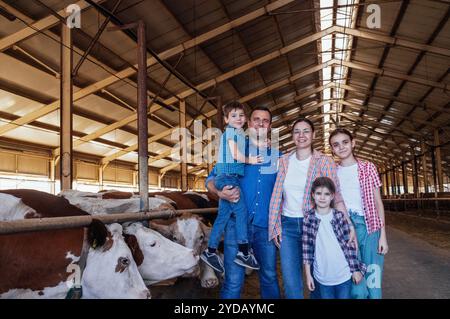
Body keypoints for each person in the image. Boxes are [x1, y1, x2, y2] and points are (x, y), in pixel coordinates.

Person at [268, 117, 355, 299]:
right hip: (288, 226)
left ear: (313, 135)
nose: (301, 135)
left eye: (306, 131)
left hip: (317, 225)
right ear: (292, 136)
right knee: (291, 282)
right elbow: (277, 195)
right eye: (297, 131)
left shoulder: (324, 161)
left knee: (318, 278)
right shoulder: (283, 161)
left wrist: (349, 225)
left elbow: (336, 195)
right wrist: (275, 225)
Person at [205, 106, 281, 299]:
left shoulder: (278, 157)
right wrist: (219, 192)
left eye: (265, 120)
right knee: (233, 279)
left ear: (270, 126)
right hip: (236, 226)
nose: (260, 123)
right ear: (249, 123)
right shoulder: (234, 148)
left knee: (270, 276)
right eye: (256, 119)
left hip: (265, 226)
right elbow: (211, 179)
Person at [201, 101, 262, 273]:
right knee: (241, 213)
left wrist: (261, 145)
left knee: (222, 217)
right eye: (234, 115)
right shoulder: (230, 133)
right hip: (228, 178)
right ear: (226, 119)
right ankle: (243, 251)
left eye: (241, 115)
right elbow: (235, 154)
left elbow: (246, 143)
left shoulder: (240, 134)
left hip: (226, 177)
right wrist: (251, 160)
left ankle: (210, 251)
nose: (238, 118)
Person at [329, 128, 388, 299]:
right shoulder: (332, 172)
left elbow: (378, 202)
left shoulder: (368, 167)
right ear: (332, 149)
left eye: (345, 142)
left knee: (373, 277)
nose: (341, 147)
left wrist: (382, 235)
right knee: (356, 283)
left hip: (370, 227)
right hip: (346, 227)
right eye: (336, 145)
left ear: (353, 143)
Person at [303, 177, 365, 299]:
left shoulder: (339, 216)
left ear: (332, 196)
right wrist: (308, 275)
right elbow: (307, 250)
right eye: (318, 193)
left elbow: (349, 245)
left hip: (343, 274)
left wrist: (355, 270)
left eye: (326, 194)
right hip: (322, 277)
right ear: (313, 195)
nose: (322, 197)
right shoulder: (308, 218)